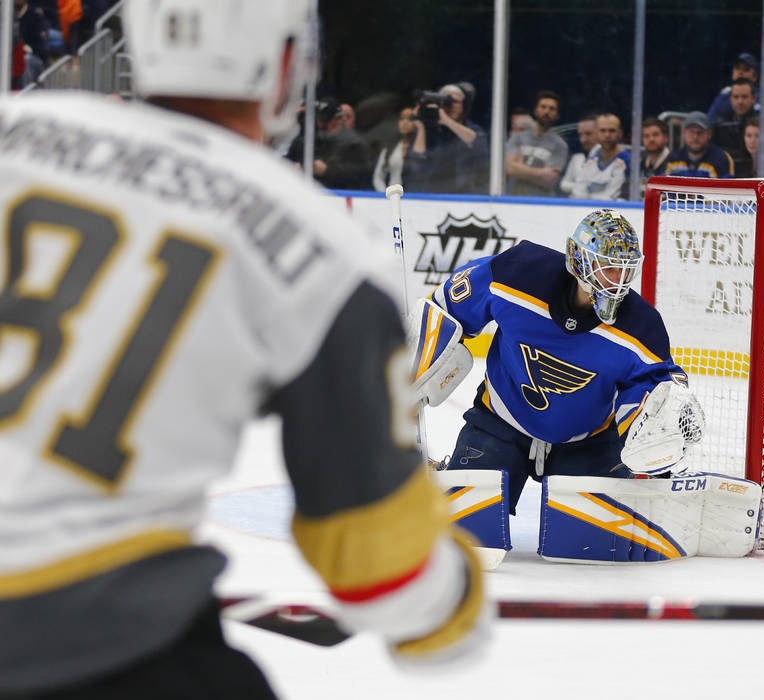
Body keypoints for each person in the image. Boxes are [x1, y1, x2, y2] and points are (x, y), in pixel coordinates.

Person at [0, 1, 488, 696]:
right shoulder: (324, 250)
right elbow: (382, 569)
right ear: (286, 62)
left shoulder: (14, 126)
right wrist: (452, 601)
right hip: (91, 636)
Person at [428, 209, 695, 515]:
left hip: (588, 443)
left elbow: (652, 394)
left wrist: (659, 433)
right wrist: (419, 361)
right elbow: (445, 309)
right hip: (499, 425)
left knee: (595, 544)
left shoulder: (642, 327)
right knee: (463, 527)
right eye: (609, 268)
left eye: (625, 270)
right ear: (580, 260)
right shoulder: (517, 273)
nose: (618, 281)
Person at [405, 82, 489, 194]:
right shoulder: (429, 129)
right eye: (446, 102)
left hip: (464, 195)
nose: (451, 106)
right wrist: (420, 127)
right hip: (431, 192)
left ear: (463, 105)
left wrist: (446, 120)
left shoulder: (472, 128)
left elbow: (477, 143)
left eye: (455, 102)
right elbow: (415, 162)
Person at [285, 98, 373, 190]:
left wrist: (327, 171)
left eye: (325, 120)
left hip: (341, 196)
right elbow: (286, 162)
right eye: (317, 119)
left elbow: (363, 174)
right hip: (309, 192)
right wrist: (293, 167)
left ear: (337, 119)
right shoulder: (305, 141)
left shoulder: (354, 144)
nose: (320, 124)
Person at [506, 90, 569, 197]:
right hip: (514, 199)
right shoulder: (517, 138)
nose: (547, 112)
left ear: (557, 115)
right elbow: (509, 169)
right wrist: (541, 173)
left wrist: (520, 169)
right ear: (536, 110)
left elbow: (549, 179)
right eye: (543, 107)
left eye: (551, 109)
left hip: (542, 203)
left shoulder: (560, 145)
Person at [566, 113, 630, 200]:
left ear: (620, 133)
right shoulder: (590, 162)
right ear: (596, 133)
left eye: (612, 131)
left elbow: (614, 197)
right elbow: (578, 192)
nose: (607, 135)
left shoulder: (628, 162)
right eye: (603, 131)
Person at [664, 111, 734, 179]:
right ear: (684, 133)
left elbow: (725, 188)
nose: (695, 137)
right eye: (691, 132)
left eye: (700, 132)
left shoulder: (721, 158)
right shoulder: (672, 159)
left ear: (709, 134)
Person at [714, 77, 759, 164]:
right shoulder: (721, 123)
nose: (740, 101)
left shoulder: (762, 123)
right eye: (736, 97)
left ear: (753, 99)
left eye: (744, 97)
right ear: (731, 99)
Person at [707, 53, 759, 125]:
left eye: (746, 69)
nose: (740, 72)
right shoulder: (724, 95)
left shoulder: (762, 97)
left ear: (754, 77)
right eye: (737, 68)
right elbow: (710, 120)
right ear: (732, 73)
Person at [372, 106, 416, 191]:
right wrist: (384, 195)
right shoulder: (391, 146)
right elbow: (378, 177)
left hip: (414, 197)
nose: (405, 123)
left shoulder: (417, 146)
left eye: (410, 119)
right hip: (393, 197)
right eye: (402, 119)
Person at [560, 114, 599, 196]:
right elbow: (563, 184)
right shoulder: (577, 158)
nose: (583, 140)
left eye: (588, 134)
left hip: (600, 207)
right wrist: (582, 187)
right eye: (580, 135)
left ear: (601, 133)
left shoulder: (612, 160)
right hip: (576, 206)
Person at [638, 117, 671, 195]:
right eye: (646, 136)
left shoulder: (675, 163)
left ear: (666, 138)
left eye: (655, 135)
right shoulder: (642, 163)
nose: (651, 139)